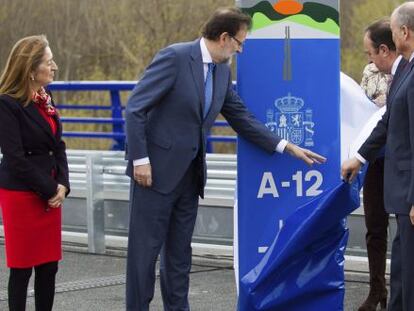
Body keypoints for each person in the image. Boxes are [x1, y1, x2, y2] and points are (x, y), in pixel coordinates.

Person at [125, 7, 326, 311]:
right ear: (223, 37)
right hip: (154, 175)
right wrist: (140, 160)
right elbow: (135, 108)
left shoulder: (221, 71)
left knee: (179, 257)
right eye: (240, 43)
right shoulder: (175, 58)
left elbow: (241, 117)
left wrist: (285, 146)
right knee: (144, 256)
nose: (241, 49)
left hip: (189, 179)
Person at [342, 3, 414, 310]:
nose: (368, 58)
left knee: (409, 270)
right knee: (401, 266)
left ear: (403, 32)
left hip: (409, 190)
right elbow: (388, 122)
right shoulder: (406, 69)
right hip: (400, 189)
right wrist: (359, 157)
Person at [0, 35, 70, 311]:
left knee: (48, 266)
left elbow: (58, 145)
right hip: (22, 194)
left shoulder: (46, 97)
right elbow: (15, 158)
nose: (54, 67)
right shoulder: (6, 104)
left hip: (51, 192)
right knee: (22, 268)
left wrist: (63, 184)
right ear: (31, 70)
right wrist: (50, 188)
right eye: (49, 63)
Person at [358, 19, 404, 311]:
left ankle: (402, 288)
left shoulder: (405, 70)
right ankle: (378, 289)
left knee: (405, 225)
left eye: (370, 52)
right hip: (375, 158)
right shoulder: (369, 71)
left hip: (401, 159)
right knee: (374, 225)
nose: (369, 58)